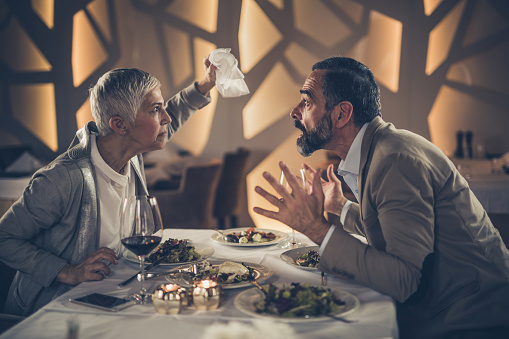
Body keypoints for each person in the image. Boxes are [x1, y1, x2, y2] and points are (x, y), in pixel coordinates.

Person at [253, 56, 509, 338]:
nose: (295, 112)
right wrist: (341, 208)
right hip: (453, 306)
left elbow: (404, 280)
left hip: (471, 318)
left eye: (307, 101)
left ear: (341, 114)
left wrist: (316, 229)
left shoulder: (395, 160)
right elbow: (398, 229)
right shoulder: (381, 148)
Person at [0, 56, 217, 316]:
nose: (166, 118)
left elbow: (174, 115)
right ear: (119, 124)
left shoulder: (131, 150)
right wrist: (67, 271)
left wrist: (204, 85)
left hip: (107, 292)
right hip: (52, 309)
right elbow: (5, 238)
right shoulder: (61, 178)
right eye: (155, 109)